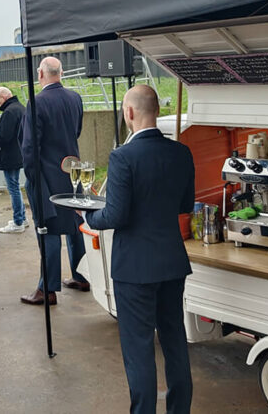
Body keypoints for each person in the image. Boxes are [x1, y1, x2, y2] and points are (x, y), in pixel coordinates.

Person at [85, 85, 195, 414]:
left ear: (129, 113)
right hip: (172, 262)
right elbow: (184, 204)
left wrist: (89, 214)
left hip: (135, 268)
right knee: (175, 342)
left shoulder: (123, 156)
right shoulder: (181, 152)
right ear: (156, 111)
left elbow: (115, 215)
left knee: (139, 348)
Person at [20, 56, 89, 305]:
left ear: (41, 74)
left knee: (46, 228)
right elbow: (77, 130)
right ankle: (82, 275)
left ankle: (46, 288)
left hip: (46, 175)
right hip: (72, 170)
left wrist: (32, 177)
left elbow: (29, 148)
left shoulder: (37, 103)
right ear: (61, 73)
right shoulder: (75, 98)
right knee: (75, 222)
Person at [0, 87, 27, 233]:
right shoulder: (20, 108)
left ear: (4, 97)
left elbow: (4, 136)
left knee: (13, 188)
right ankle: (22, 218)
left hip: (10, 155)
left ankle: (18, 221)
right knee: (16, 186)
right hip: (20, 152)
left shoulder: (9, 112)